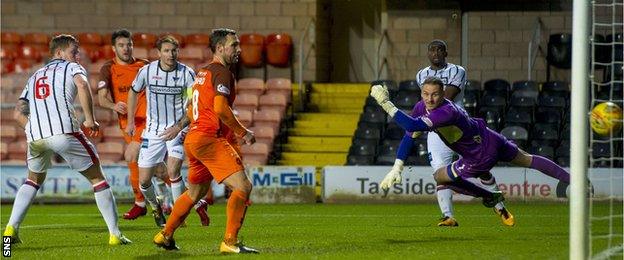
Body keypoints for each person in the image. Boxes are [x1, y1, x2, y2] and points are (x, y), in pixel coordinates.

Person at [2, 34, 131, 245]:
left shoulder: (35, 76)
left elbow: (17, 114)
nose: (78, 55)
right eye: (74, 51)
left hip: (35, 136)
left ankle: (10, 230)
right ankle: (115, 234)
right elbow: (81, 85)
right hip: (64, 132)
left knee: (33, 180)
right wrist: (90, 120)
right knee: (97, 178)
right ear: (59, 53)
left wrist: (37, 129)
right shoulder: (71, 68)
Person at [371, 77, 571, 211]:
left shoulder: (446, 112)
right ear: (421, 93)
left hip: (479, 154)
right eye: (425, 94)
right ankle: (574, 181)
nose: (430, 99)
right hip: (491, 137)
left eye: (435, 94)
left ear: (443, 95)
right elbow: (410, 134)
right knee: (527, 159)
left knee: (441, 177)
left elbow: (411, 124)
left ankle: (489, 196)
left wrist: (386, 104)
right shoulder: (421, 107)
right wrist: (397, 167)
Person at [153, 28, 258, 254]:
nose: (239, 49)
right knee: (243, 187)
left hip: (194, 140)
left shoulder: (202, 73)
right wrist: (243, 132)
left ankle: (165, 235)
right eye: (234, 45)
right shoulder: (222, 73)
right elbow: (220, 108)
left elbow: (192, 109)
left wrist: (181, 129)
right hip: (209, 138)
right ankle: (230, 242)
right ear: (220, 48)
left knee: (195, 193)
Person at [413, 40, 511, 227]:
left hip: (461, 128)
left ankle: (500, 207)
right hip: (436, 131)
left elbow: (445, 97)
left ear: (446, 53)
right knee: (440, 173)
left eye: (440, 49)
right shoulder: (421, 75)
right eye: (432, 50)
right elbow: (428, 100)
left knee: (481, 170)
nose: (436, 53)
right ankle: (448, 216)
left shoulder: (457, 70)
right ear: (427, 53)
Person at [125, 35, 206, 227]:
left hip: (177, 128)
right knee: (144, 181)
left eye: (174, 51)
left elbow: (194, 102)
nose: (171, 54)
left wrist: (180, 125)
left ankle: (178, 218)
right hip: (152, 131)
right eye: (167, 51)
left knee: (173, 170)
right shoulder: (147, 71)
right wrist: (130, 122)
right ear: (158, 53)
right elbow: (133, 92)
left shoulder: (186, 74)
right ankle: (155, 207)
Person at [97, 28, 175, 220]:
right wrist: (114, 105)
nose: (126, 49)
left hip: (148, 122)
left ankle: (140, 203)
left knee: (131, 156)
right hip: (127, 125)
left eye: (129, 45)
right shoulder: (108, 68)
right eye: (121, 45)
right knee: (156, 168)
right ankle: (192, 198)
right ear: (113, 48)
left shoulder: (144, 66)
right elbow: (101, 100)